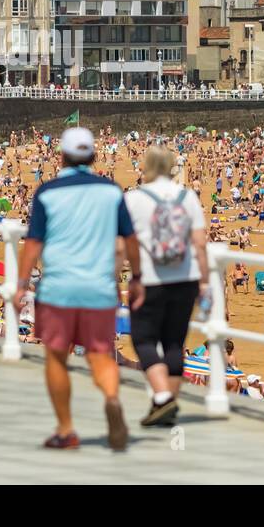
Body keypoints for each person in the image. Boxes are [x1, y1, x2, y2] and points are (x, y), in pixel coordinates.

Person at [15, 127, 140, 451]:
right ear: (94, 157)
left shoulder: (47, 192)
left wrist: (21, 285)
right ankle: (112, 399)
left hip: (58, 288)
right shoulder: (111, 191)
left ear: (62, 157)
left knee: (56, 358)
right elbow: (129, 239)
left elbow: (33, 242)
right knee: (100, 355)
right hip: (99, 288)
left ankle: (67, 430)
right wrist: (137, 277)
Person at [123, 145, 208, 427]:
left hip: (150, 279)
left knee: (143, 339)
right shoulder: (188, 196)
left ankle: (162, 398)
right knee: (175, 342)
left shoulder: (134, 198)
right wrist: (205, 281)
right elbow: (199, 243)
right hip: (186, 278)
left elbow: (123, 244)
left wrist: (125, 278)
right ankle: (166, 409)